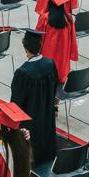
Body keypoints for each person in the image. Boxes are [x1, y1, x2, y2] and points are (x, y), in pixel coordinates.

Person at [9, 30, 58, 167]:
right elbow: (54, 90)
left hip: (29, 124)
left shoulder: (23, 73)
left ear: (25, 48)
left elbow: (15, 106)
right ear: (40, 45)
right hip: (47, 118)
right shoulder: (50, 64)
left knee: (29, 156)